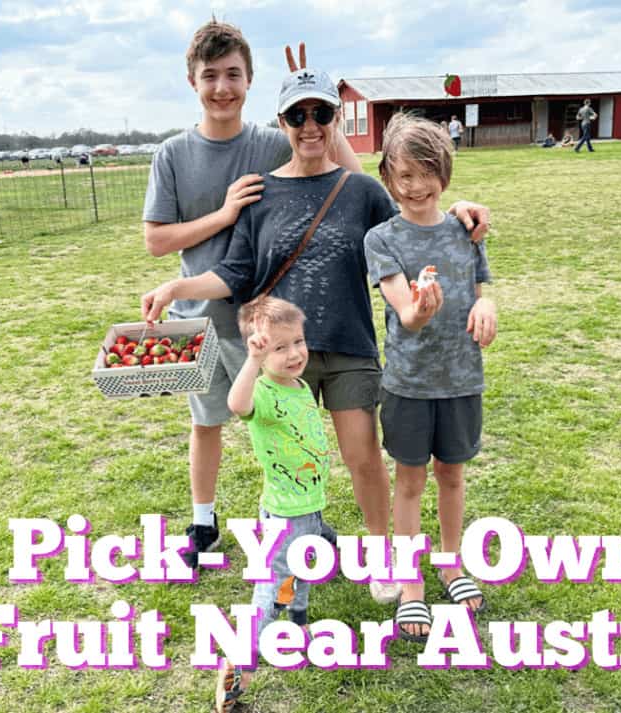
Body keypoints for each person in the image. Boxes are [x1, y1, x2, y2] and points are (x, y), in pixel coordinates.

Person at [141, 66, 492, 604]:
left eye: (322, 113)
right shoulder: (261, 195)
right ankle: (299, 551)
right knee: (295, 462)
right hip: (284, 356)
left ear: (335, 120)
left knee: (362, 457)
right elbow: (236, 272)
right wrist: (176, 284)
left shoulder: (360, 191)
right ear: (281, 121)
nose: (310, 125)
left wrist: (463, 209)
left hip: (348, 344)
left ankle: (383, 557)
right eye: (298, 115)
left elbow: (417, 208)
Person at [142, 22, 363, 574]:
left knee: (287, 420)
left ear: (250, 81)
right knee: (208, 422)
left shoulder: (270, 141)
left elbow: (352, 180)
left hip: (265, 318)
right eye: (210, 76)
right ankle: (203, 521)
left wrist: (315, 104)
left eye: (234, 75)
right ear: (192, 81)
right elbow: (156, 239)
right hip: (199, 312)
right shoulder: (173, 153)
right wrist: (223, 213)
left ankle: (304, 519)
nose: (223, 88)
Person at [364, 113, 497, 642]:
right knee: (411, 482)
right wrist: (420, 307)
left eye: (425, 172)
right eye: (403, 175)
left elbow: (484, 286)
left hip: (463, 379)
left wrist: (490, 308)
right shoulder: (382, 239)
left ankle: (450, 562)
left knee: (453, 475)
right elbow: (405, 312)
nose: (415, 186)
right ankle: (411, 583)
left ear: (444, 172)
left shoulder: (467, 229)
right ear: (388, 178)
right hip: (410, 385)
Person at [214, 296, 330, 713]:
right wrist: (252, 362)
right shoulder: (261, 391)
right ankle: (238, 662)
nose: (295, 354)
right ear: (260, 352)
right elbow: (236, 405)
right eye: (279, 349)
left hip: (307, 504)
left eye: (297, 342)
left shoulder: (297, 385)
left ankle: (297, 625)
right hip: (287, 512)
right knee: (272, 589)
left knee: (302, 567)